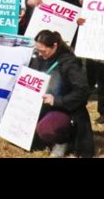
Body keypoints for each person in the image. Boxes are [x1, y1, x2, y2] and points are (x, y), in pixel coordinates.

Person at [30, 30, 94, 158]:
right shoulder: (38, 58)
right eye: (38, 50)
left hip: (64, 109)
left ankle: (63, 141)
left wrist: (57, 100)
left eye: (44, 51)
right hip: (40, 106)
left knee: (48, 128)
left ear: (54, 46)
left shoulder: (69, 63)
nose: (41, 54)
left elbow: (82, 91)